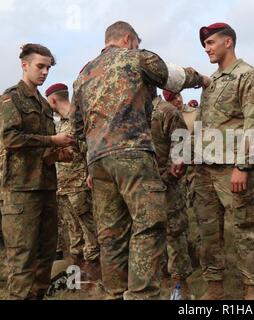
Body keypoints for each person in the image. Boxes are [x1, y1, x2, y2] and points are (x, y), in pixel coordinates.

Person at [72, 21, 209, 300]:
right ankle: (141, 295)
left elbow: (77, 128)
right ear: (127, 39)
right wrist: (201, 79)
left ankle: (114, 294)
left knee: (111, 234)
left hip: (98, 161)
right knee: (149, 224)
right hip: (133, 154)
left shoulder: (82, 75)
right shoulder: (136, 57)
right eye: (136, 41)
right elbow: (172, 77)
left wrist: (90, 162)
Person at [192, 22, 254, 300]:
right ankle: (214, 287)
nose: (207, 49)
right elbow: (201, 125)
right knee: (208, 232)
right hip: (205, 170)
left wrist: (244, 166)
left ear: (228, 42)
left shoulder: (250, 76)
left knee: (245, 230)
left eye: (211, 42)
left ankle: (253, 290)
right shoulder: (210, 82)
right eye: (205, 45)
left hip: (232, 169)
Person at [0, 44, 75, 300]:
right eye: (39, 66)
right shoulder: (12, 98)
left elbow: (40, 151)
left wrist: (57, 154)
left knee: (45, 261)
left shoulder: (44, 105)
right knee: (22, 263)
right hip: (21, 192)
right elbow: (11, 138)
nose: (44, 72)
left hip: (46, 188)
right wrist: (52, 142)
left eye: (48, 68)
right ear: (24, 65)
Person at [46, 83, 101, 282]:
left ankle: (95, 270)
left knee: (89, 227)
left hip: (79, 185)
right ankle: (78, 270)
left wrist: (90, 174)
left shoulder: (79, 119)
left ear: (52, 100)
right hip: (65, 187)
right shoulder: (60, 123)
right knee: (73, 229)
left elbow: (90, 150)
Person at [152, 95, 193, 299]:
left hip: (166, 183)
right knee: (150, 232)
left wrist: (168, 175)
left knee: (174, 231)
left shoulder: (166, 111)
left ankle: (179, 281)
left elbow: (182, 145)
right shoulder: (133, 112)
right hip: (142, 186)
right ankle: (159, 275)